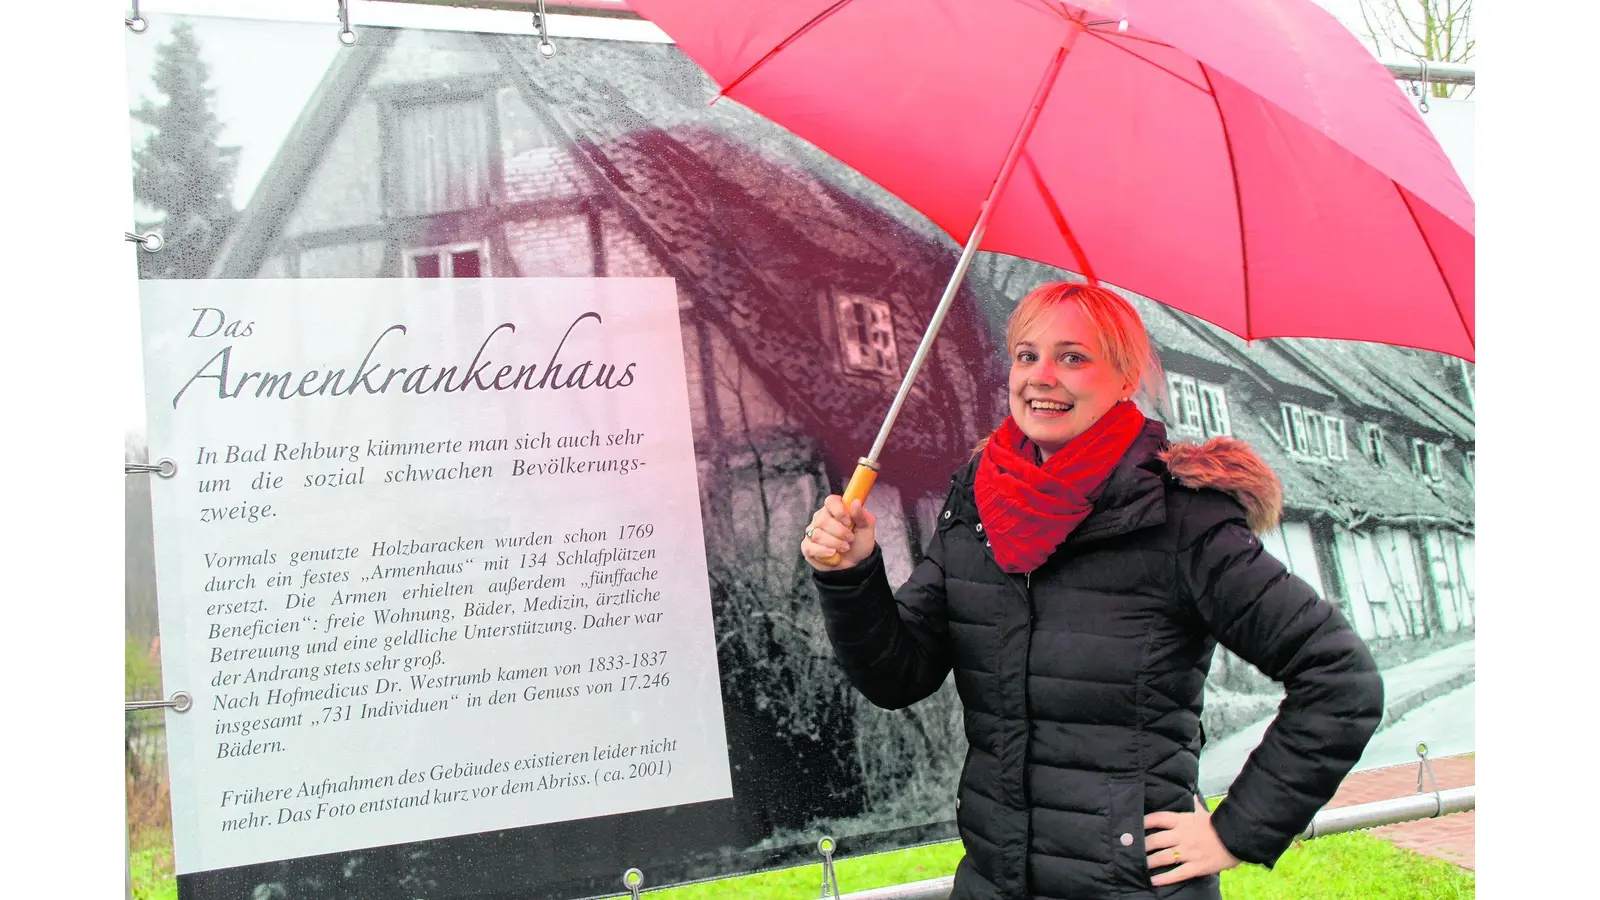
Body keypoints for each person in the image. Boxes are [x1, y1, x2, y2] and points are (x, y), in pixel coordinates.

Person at [802, 282, 1384, 900]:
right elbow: (898, 677)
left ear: (1125, 376)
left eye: (1073, 358)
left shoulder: (1182, 517)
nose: (1040, 376)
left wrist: (1234, 832)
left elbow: (1340, 680)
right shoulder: (980, 504)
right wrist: (851, 573)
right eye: (1026, 356)